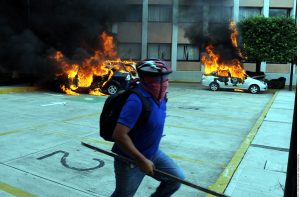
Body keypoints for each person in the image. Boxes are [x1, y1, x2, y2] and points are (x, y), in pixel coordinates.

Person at [111, 59, 185, 197]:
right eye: (158, 79)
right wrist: (141, 160)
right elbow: (119, 135)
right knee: (123, 195)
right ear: (144, 79)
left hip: (152, 153)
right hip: (130, 161)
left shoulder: (161, 97)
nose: (163, 83)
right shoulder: (136, 101)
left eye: (165, 79)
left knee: (176, 178)